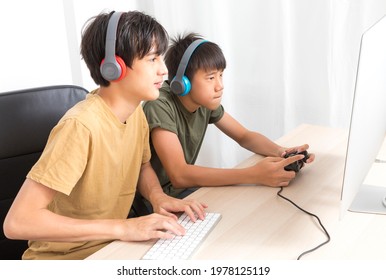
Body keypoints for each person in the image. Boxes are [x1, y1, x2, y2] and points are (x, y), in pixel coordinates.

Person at [3, 12, 206, 260]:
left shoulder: (136, 114)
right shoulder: (81, 127)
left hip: (112, 249)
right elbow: (18, 222)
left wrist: (157, 197)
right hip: (63, 261)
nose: (163, 70)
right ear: (114, 67)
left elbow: (141, 167)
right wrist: (123, 227)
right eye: (152, 59)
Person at [142, 32, 315, 199]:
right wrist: (253, 175)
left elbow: (244, 136)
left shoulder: (204, 102)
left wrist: (282, 152)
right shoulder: (159, 105)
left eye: (221, 75)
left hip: (182, 193)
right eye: (210, 78)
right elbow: (179, 175)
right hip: (154, 203)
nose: (220, 86)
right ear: (182, 83)